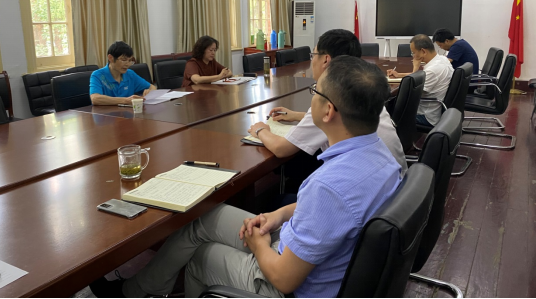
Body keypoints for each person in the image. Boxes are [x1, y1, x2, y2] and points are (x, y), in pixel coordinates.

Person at [89, 56, 402, 298]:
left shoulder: (328, 187)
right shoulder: (381, 156)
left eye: (315, 91)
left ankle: (139, 291)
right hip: (309, 249)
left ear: (328, 111)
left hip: (290, 284)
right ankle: (135, 291)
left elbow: (283, 278)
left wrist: (258, 244)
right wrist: (278, 214)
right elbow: (338, 210)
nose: (312, 97)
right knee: (202, 219)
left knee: (201, 256)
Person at [248, 29, 407, 176]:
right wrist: (297, 115)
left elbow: (281, 149)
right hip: (393, 182)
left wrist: (261, 130)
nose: (312, 61)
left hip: (364, 184)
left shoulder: (332, 97)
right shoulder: (362, 89)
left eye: (313, 55)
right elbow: (342, 117)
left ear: (325, 60)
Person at [387, 34, 453, 127]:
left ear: (423, 51)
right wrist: (399, 75)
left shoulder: (433, 70)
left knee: (388, 105)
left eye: (413, 53)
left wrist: (415, 68)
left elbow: (411, 91)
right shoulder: (442, 59)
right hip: (435, 108)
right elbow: (420, 76)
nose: (413, 56)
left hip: (426, 116)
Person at [90, 41, 156, 106]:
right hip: (106, 112)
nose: (128, 64)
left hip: (127, 112)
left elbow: (152, 87)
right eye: (124, 60)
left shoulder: (130, 74)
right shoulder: (98, 75)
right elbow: (95, 99)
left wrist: (149, 92)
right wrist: (125, 101)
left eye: (130, 60)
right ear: (111, 58)